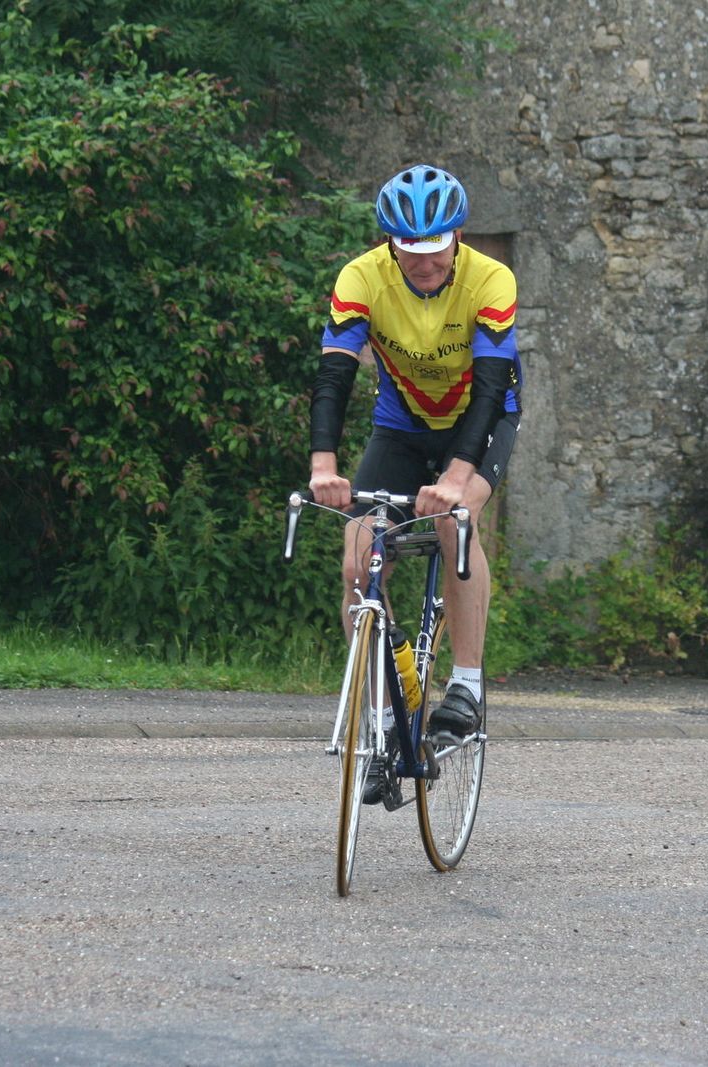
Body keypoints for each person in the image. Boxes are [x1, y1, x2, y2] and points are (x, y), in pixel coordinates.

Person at [307, 164, 522, 796]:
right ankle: (384, 722)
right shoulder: (360, 278)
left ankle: (467, 685)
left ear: (457, 238)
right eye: (410, 249)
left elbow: (490, 389)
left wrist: (456, 476)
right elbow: (334, 376)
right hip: (401, 426)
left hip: (481, 419)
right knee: (357, 561)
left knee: (456, 521)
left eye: (436, 247)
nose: (424, 262)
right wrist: (323, 467)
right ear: (389, 243)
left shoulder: (491, 279)